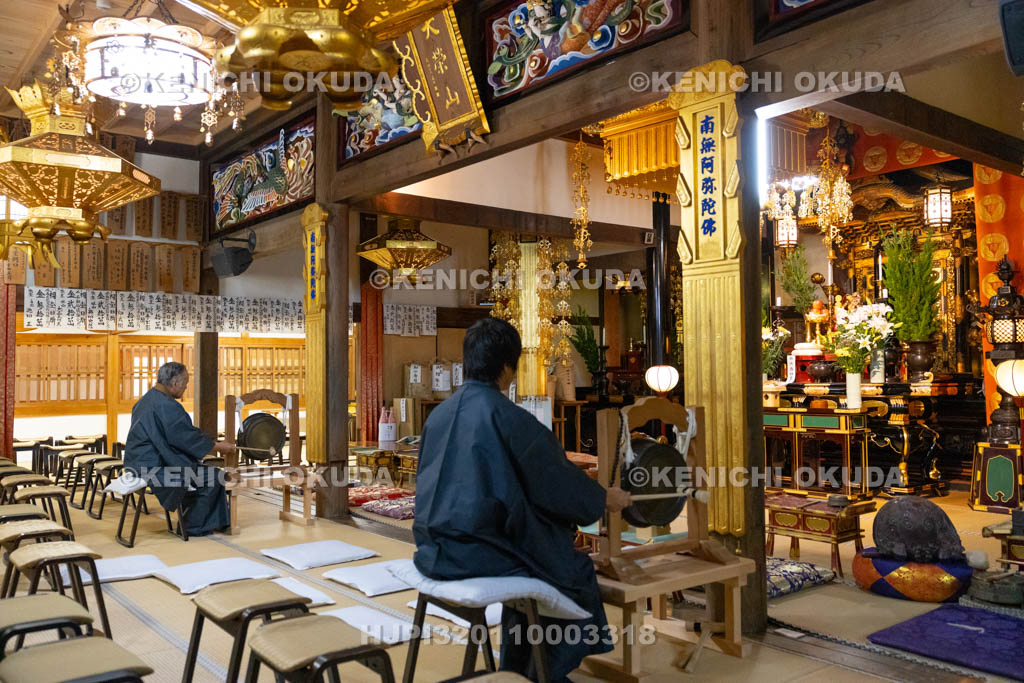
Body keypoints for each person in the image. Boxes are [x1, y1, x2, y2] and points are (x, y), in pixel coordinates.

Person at [413, 318, 632, 682]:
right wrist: (602, 498)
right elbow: (555, 485)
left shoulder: (439, 415)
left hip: (432, 547)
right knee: (569, 569)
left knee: (534, 553)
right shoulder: (510, 418)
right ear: (506, 367)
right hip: (478, 552)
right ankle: (544, 673)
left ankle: (518, 669)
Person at [125, 362, 234, 537]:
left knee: (205, 474)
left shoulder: (146, 400)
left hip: (138, 462)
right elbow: (184, 437)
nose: (186, 387)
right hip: (154, 466)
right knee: (214, 477)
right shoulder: (167, 405)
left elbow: (180, 435)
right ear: (175, 383)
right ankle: (192, 527)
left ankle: (214, 522)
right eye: (185, 383)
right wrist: (218, 446)